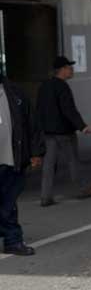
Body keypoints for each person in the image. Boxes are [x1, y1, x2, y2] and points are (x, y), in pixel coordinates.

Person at [36, 56, 91, 207]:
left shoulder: (44, 86)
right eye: (69, 67)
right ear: (62, 70)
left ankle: (45, 196)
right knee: (73, 161)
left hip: (48, 133)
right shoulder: (62, 87)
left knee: (48, 165)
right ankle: (83, 188)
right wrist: (82, 126)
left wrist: (40, 129)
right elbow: (68, 109)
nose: (71, 70)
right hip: (64, 133)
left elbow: (39, 110)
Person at [0, 72, 44, 255]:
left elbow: (31, 124)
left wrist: (36, 152)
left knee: (9, 202)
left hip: (11, 158)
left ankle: (13, 241)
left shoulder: (15, 93)